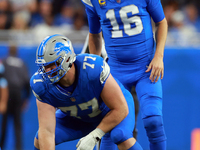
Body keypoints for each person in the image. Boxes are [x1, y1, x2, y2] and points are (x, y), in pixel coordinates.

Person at [30, 34, 143, 150]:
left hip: (111, 110)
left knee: (120, 135)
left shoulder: (92, 69)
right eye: (44, 66)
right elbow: (47, 132)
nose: (46, 71)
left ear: (67, 59)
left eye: (51, 65)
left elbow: (121, 109)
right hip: (79, 116)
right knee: (40, 139)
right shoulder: (41, 85)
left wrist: (95, 135)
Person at [81, 0, 168, 149]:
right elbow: (94, 34)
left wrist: (159, 56)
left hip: (145, 68)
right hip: (116, 72)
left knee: (153, 120)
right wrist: (96, 69)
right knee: (115, 132)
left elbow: (161, 22)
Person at [0, 44, 31, 150]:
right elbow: (27, 82)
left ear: (9, 51)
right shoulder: (22, 63)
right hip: (18, 95)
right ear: (17, 51)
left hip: (6, 94)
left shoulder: (4, 61)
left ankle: (1, 147)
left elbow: (1, 78)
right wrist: (26, 98)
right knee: (17, 124)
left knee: (3, 124)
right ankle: (19, 148)